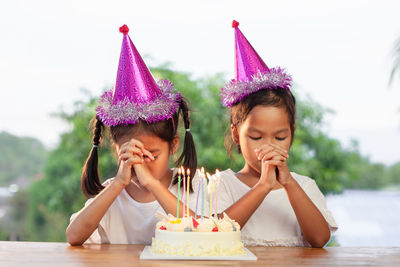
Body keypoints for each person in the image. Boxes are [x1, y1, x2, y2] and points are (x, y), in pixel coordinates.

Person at [66, 25, 200, 245]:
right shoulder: (113, 192)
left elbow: (204, 235)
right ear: (115, 148)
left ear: (173, 145)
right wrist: (118, 183)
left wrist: (153, 185)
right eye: (130, 155)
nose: (141, 165)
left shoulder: (190, 185)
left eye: (152, 155)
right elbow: (73, 237)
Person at [217, 20, 338, 247]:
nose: (268, 147)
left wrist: (289, 183)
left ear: (292, 133)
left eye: (280, 137)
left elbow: (320, 239)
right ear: (235, 134)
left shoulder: (304, 185)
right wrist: (263, 186)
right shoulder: (223, 184)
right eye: (256, 137)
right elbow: (217, 234)